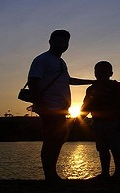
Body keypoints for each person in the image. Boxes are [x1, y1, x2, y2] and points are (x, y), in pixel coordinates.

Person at [26, 29, 94, 182]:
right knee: (52, 140)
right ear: (50, 42)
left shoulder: (61, 62)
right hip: (49, 107)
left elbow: (68, 80)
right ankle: (50, 175)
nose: (62, 44)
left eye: (65, 42)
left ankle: (51, 174)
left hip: (60, 108)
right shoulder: (42, 59)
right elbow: (33, 81)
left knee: (58, 139)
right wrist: (41, 105)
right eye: (58, 41)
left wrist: (93, 81)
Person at [79, 61, 120, 181]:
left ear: (110, 73)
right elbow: (86, 106)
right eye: (97, 71)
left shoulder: (117, 86)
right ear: (94, 73)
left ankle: (118, 173)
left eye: (103, 71)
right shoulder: (91, 89)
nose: (100, 74)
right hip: (98, 123)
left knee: (116, 148)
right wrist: (80, 119)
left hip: (114, 122)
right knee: (102, 149)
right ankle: (105, 174)